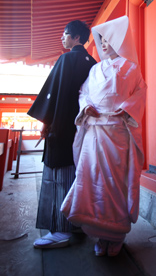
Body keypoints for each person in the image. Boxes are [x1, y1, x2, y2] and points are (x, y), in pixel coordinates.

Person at [61, 15, 147, 257]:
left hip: (118, 132)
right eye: (102, 40)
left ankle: (116, 234)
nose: (105, 44)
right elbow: (83, 92)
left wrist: (127, 108)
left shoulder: (131, 67)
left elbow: (141, 92)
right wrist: (85, 106)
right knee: (92, 179)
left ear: (120, 41)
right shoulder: (95, 68)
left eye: (110, 39)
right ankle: (100, 234)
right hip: (94, 133)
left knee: (115, 183)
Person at [27, 20, 97, 249]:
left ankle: (60, 230)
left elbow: (54, 95)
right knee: (79, 174)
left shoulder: (67, 59)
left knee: (58, 176)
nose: (62, 38)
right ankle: (78, 223)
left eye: (65, 35)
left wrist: (46, 121)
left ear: (77, 38)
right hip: (85, 130)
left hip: (63, 126)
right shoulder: (94, 63)